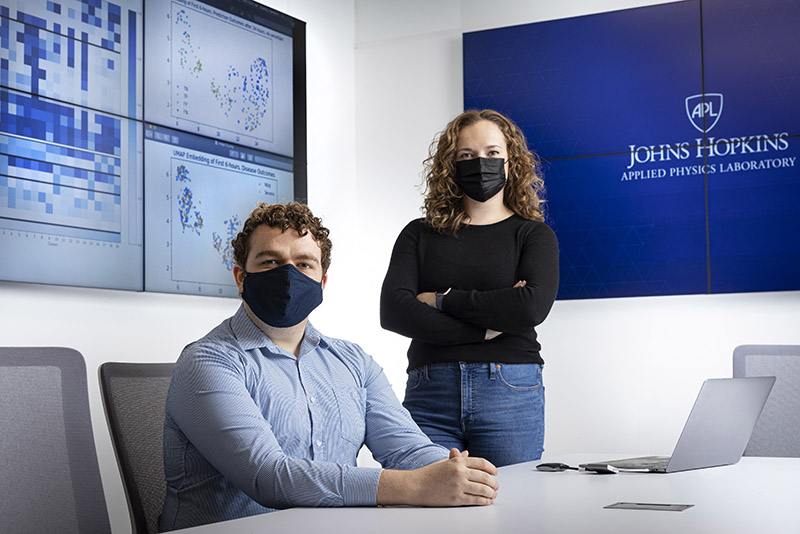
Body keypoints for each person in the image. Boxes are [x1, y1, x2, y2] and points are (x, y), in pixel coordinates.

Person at [160, 201, 498, 531]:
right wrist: (415, 487)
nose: (288, 274)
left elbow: (407, 449)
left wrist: (456, 473)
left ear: (322, 284)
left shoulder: (353, 362)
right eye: (270, 262)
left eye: (304, 264)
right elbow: (269, 477)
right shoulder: (207, 361)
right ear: (240, 277)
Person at [380, 109, 559, 468]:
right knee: (422, 512)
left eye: (493, 153)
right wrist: (484, 328)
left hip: (509, 390)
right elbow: (394, 311)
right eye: (467, 155)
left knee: (511, 510)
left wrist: (441, 301)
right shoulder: (419, 233)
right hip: (431, 393)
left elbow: (528, 307)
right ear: (451, 164)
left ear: (512, 161)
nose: (481, 163)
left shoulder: (533, 235)